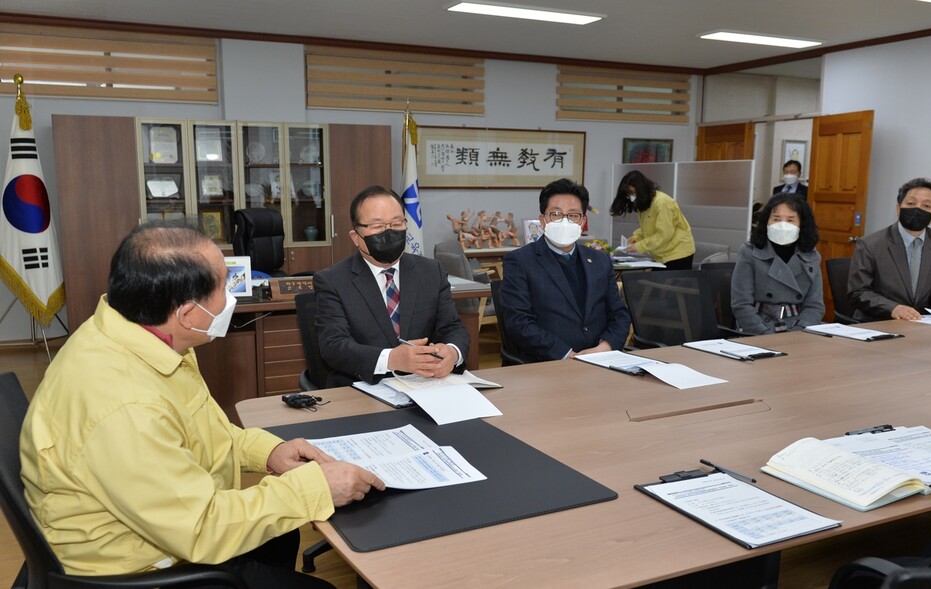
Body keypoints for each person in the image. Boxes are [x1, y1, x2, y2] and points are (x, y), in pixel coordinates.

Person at [19, 222, 384, 584]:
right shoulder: (124, 405)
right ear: (187, 314)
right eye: (225, 286)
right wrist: (317, 488)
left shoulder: (148, 336)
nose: (232, 297)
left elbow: (204, 428)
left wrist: (269, 452)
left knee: (281, 535)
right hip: (142, 569)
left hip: (169, 523)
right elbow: (201, 529)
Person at [314, 185, 470, 387]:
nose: (389, 232)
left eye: (397, 224)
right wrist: (392, 359)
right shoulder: (333, 280)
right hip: (362, 388)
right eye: (378, 226)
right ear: (356, 237)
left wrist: (452, 352)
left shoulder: (431, 272)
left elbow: (453, 327)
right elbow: (334, 346)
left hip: (426, 385)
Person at [501, 178, 631, 363]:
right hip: (548, 364)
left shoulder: (600, 260)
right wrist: (567, 354)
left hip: (601, 360)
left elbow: (619, 314)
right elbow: (519, 322)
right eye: (555, 214)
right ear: (543, 220)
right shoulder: (520, 261)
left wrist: (605, 348)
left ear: (583, 221)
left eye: (573, 215)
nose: (564, 221)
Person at [848, 177, 931, 321]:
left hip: (921, 323)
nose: (917, 209)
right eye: (911, 203)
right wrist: (893, 308)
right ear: (898, 208)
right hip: (879, 322)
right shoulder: (870, 243)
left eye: (926, 206)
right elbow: (858, 292)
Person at [731, 192, 824, 334]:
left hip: (797, 329)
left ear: (802, 224)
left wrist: (799, 331)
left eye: (790, 220)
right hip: (758, 328)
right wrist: (763, 332)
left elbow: (815, 306)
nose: (782, 225)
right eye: (776, 219)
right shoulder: (749, 252)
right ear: (766, 221)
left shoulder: (811, 256)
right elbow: (741, 304)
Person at [609, 170, 696, 270]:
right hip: (662, 254)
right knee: (651, 281)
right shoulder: (644, 203)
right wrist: (636, 236)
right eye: (628, 194)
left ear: (641, 190)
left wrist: (639, 246)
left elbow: (664, 235)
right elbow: (647, 226)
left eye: (632, 193)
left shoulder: (662, 203)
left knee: (657, 283)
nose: (631, 197)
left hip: (678, 254)